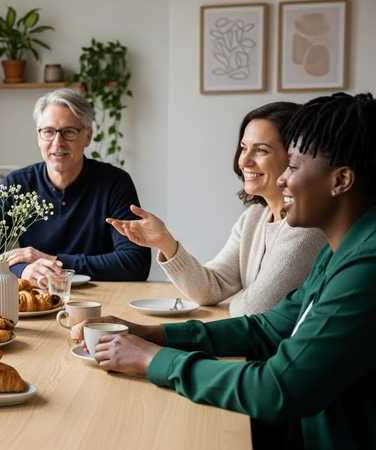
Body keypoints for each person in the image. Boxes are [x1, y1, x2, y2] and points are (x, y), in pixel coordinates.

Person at [80, 93, 376, 449]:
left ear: (341, 180)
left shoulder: (365, 264)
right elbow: (267, 327)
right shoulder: (342, 249)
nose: (283, 180)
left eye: (294, 166)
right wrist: (152, 334)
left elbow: (276, 388)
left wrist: (152, 359)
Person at [108, 102, 326, 316]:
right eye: (243, 148)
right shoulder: (253, 218)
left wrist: (240, 299)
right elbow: (210, 289)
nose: (245, 161)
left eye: (261, 150)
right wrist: (166, 243)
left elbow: (254, 311)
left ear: (295, 158)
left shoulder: (307, 227)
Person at [0, 89, 151, 284]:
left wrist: (53, 261)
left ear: (87, 136)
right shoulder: (17, 184)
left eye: (69, 132)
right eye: (48, 132)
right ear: (38, 136)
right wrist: (23, 269)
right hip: (38, 295)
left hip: (99, 298)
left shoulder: (115, 183)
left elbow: (135, 262)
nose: (57, 142)